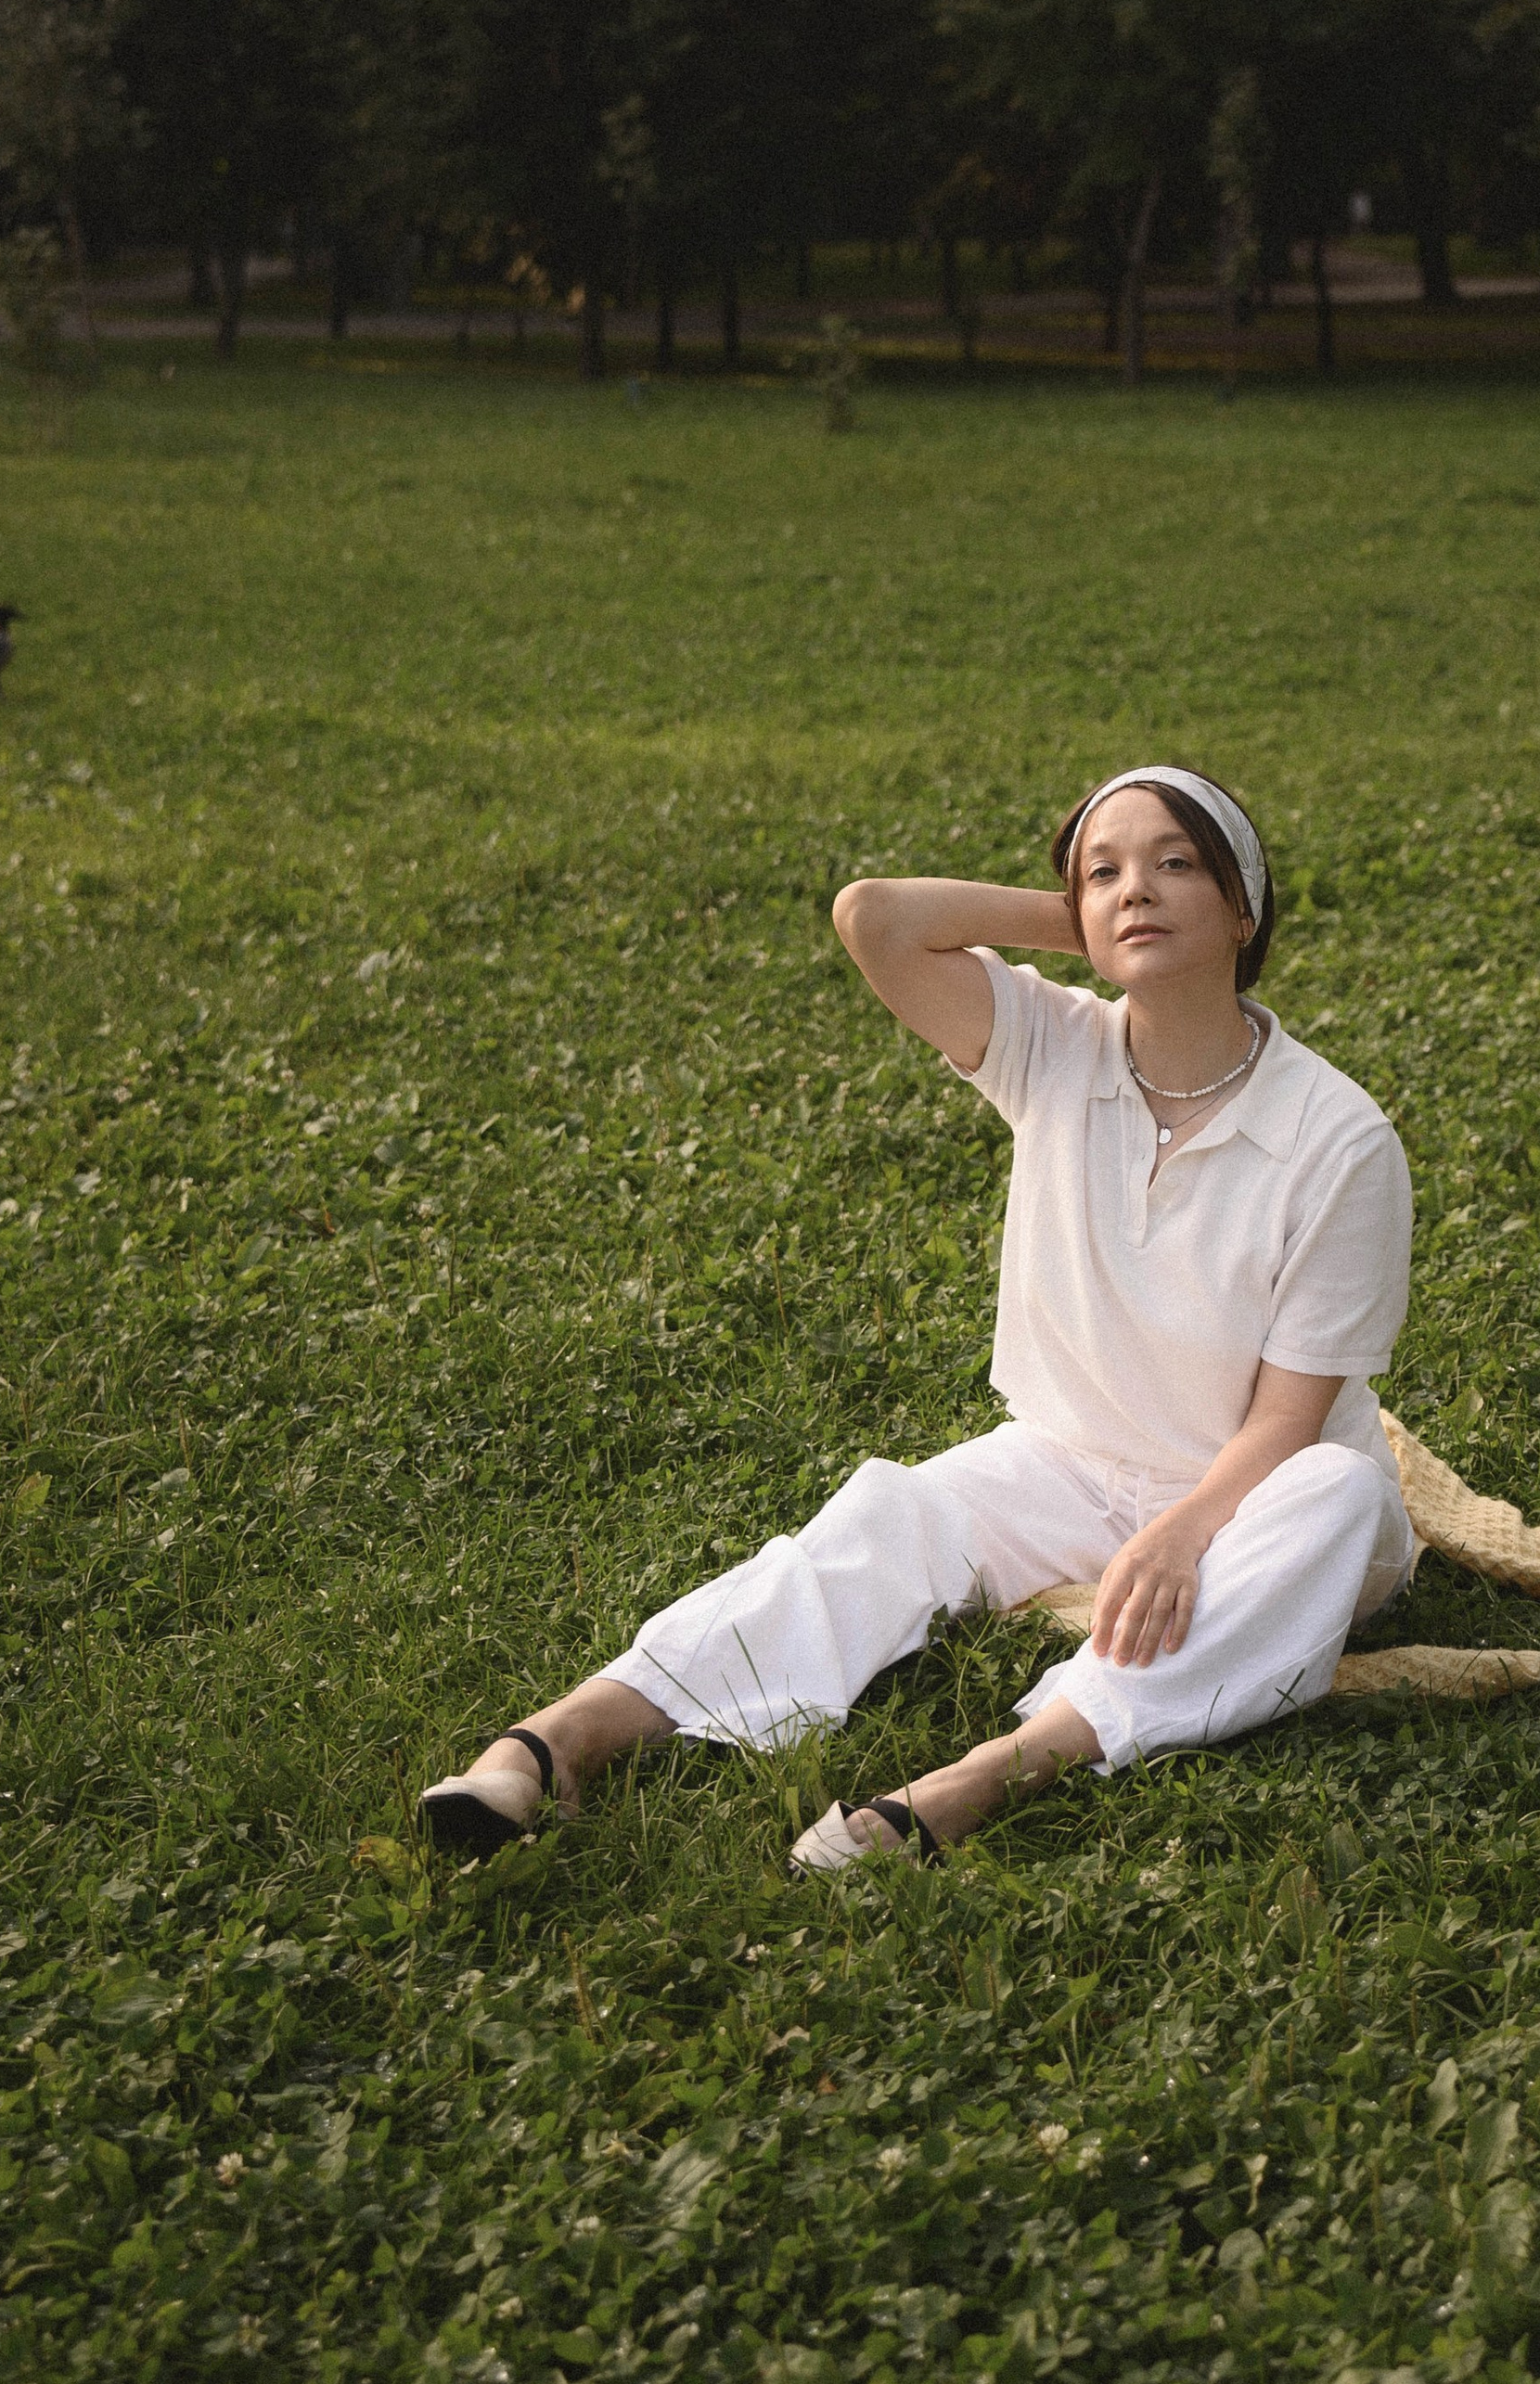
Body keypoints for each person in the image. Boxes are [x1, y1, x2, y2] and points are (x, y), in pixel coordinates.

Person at [418, 765, 1417, 1869]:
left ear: (1246, 907)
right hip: (1072, 1462)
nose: (1136, 887)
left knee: (1340, 1493)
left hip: (1259, 1497)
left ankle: (983, 1776)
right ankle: (555, 1742)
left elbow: (1287, 1421)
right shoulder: (1054, 1044)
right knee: (883, 1519)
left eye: (1176, 864)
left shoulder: (1339, 1138)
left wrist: (1182, 1533)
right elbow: (876, 919)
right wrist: (1097, 924)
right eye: (1104, 871)